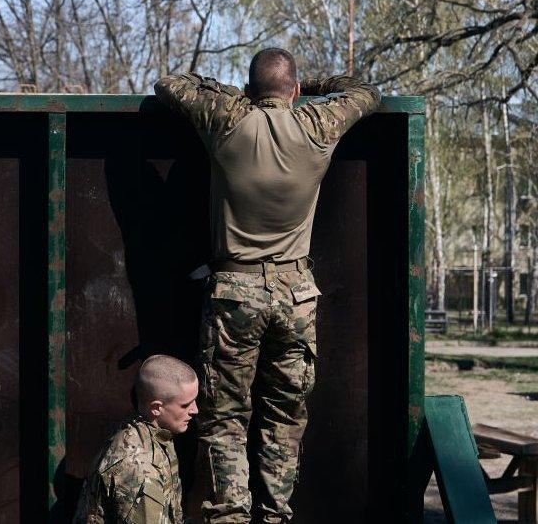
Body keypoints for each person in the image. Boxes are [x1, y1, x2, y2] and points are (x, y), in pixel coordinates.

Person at [154, 49, 381, 523]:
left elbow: (170, 84)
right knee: (285, 419)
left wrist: (240, 94)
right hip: (297, 295)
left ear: (252, 89)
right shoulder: (318, 123)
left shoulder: (229, 119)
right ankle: (277, 516)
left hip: (234, 292)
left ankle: (230, 519)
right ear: (294, 89)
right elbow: (366, 93)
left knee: (224, 419)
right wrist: (310, 86)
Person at [75, 355, 199, 524]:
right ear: (157, 408)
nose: (195, 410)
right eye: (185, 405)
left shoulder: (156, 432)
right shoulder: (137, 468)